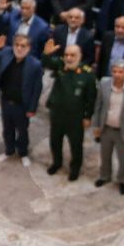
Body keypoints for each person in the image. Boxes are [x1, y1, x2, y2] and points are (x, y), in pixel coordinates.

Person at [91, 59, 124, 193]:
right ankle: (105, 176)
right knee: (105, 155)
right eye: (114, 71)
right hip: (106, 128)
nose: (117, 74)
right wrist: (96, 126)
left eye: (120, 72)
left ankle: (122, 180)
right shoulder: (104, 84)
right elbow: (98, 106)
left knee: (123, 158)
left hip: (123, 131)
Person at [43, 43, 97, 180]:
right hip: (57, 113)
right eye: (66, 55)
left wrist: (87, 116)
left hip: (75, 117)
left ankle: (75, 168)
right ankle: (56, 162)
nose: (69, 58)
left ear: (80, 57)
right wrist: (46, 54)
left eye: (72, 55)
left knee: (76, 145)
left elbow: (91, 98)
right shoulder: (61, 65)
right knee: (55, 141)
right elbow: (46, 62)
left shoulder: (88, 74)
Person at [0, 34, 44, 164]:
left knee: (22, 130)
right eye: (17, 45)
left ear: (29, 48)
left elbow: (37, 89)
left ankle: (23, 152)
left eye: (23, 46)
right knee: (7, 128)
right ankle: (9, 150)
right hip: (6, 101)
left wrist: (32, 108)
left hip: (22, 104)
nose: (19, 48)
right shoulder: (6, 55)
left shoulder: (35, 64)